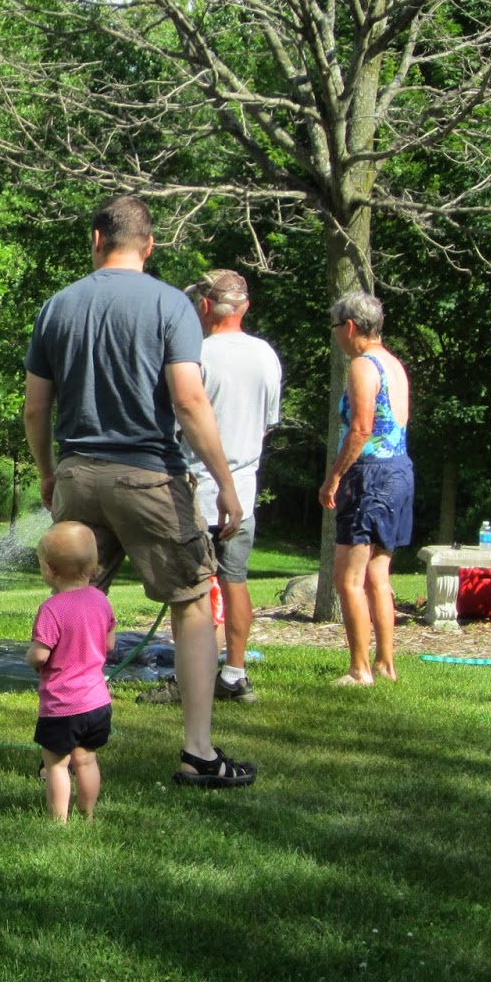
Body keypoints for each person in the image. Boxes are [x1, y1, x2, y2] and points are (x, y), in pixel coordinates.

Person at [23, 195, 256, 788]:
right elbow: (188, 399)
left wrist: (49, 471)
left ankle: (60, 747)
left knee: (70, 609)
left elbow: (35, 408)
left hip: (78, 474)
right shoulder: (169, 305)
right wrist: (225, 484)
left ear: (94, 237)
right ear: (149, 246)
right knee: (191, 605)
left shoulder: (57, 306)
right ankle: (199, 753)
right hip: (150, 476)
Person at [182, 269, 283, 703]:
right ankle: (234, 675)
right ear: (246, 307)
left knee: (196, 591)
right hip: (244, 491)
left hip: (199, 492)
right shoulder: (266, 356)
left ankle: (192, 679)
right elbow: (265, 426)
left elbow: (180, 421)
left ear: (205, 306)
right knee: (236, 580)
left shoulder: (197, 355)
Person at [319, 291, 413, 686]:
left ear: (351, 326)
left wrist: (335, 477)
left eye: (336, 326)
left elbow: (361, 429)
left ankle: (359, 670)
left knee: (348, 579)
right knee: (378, 574)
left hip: (369, 475)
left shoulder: (362, 364)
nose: (336, 335)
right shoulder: (393, 364)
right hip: (399, 472)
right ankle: (385, 664)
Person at [27, 521, 116, 823]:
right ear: (93, 566)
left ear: (50, 569)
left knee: (56, 764)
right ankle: (88, 815)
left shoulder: (53, 608)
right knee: (87, 760)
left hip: (62, 706)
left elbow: (41, 654)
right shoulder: (101, 600)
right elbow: (110, 644)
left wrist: (31, 656)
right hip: (97, 703)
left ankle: (59, 822)